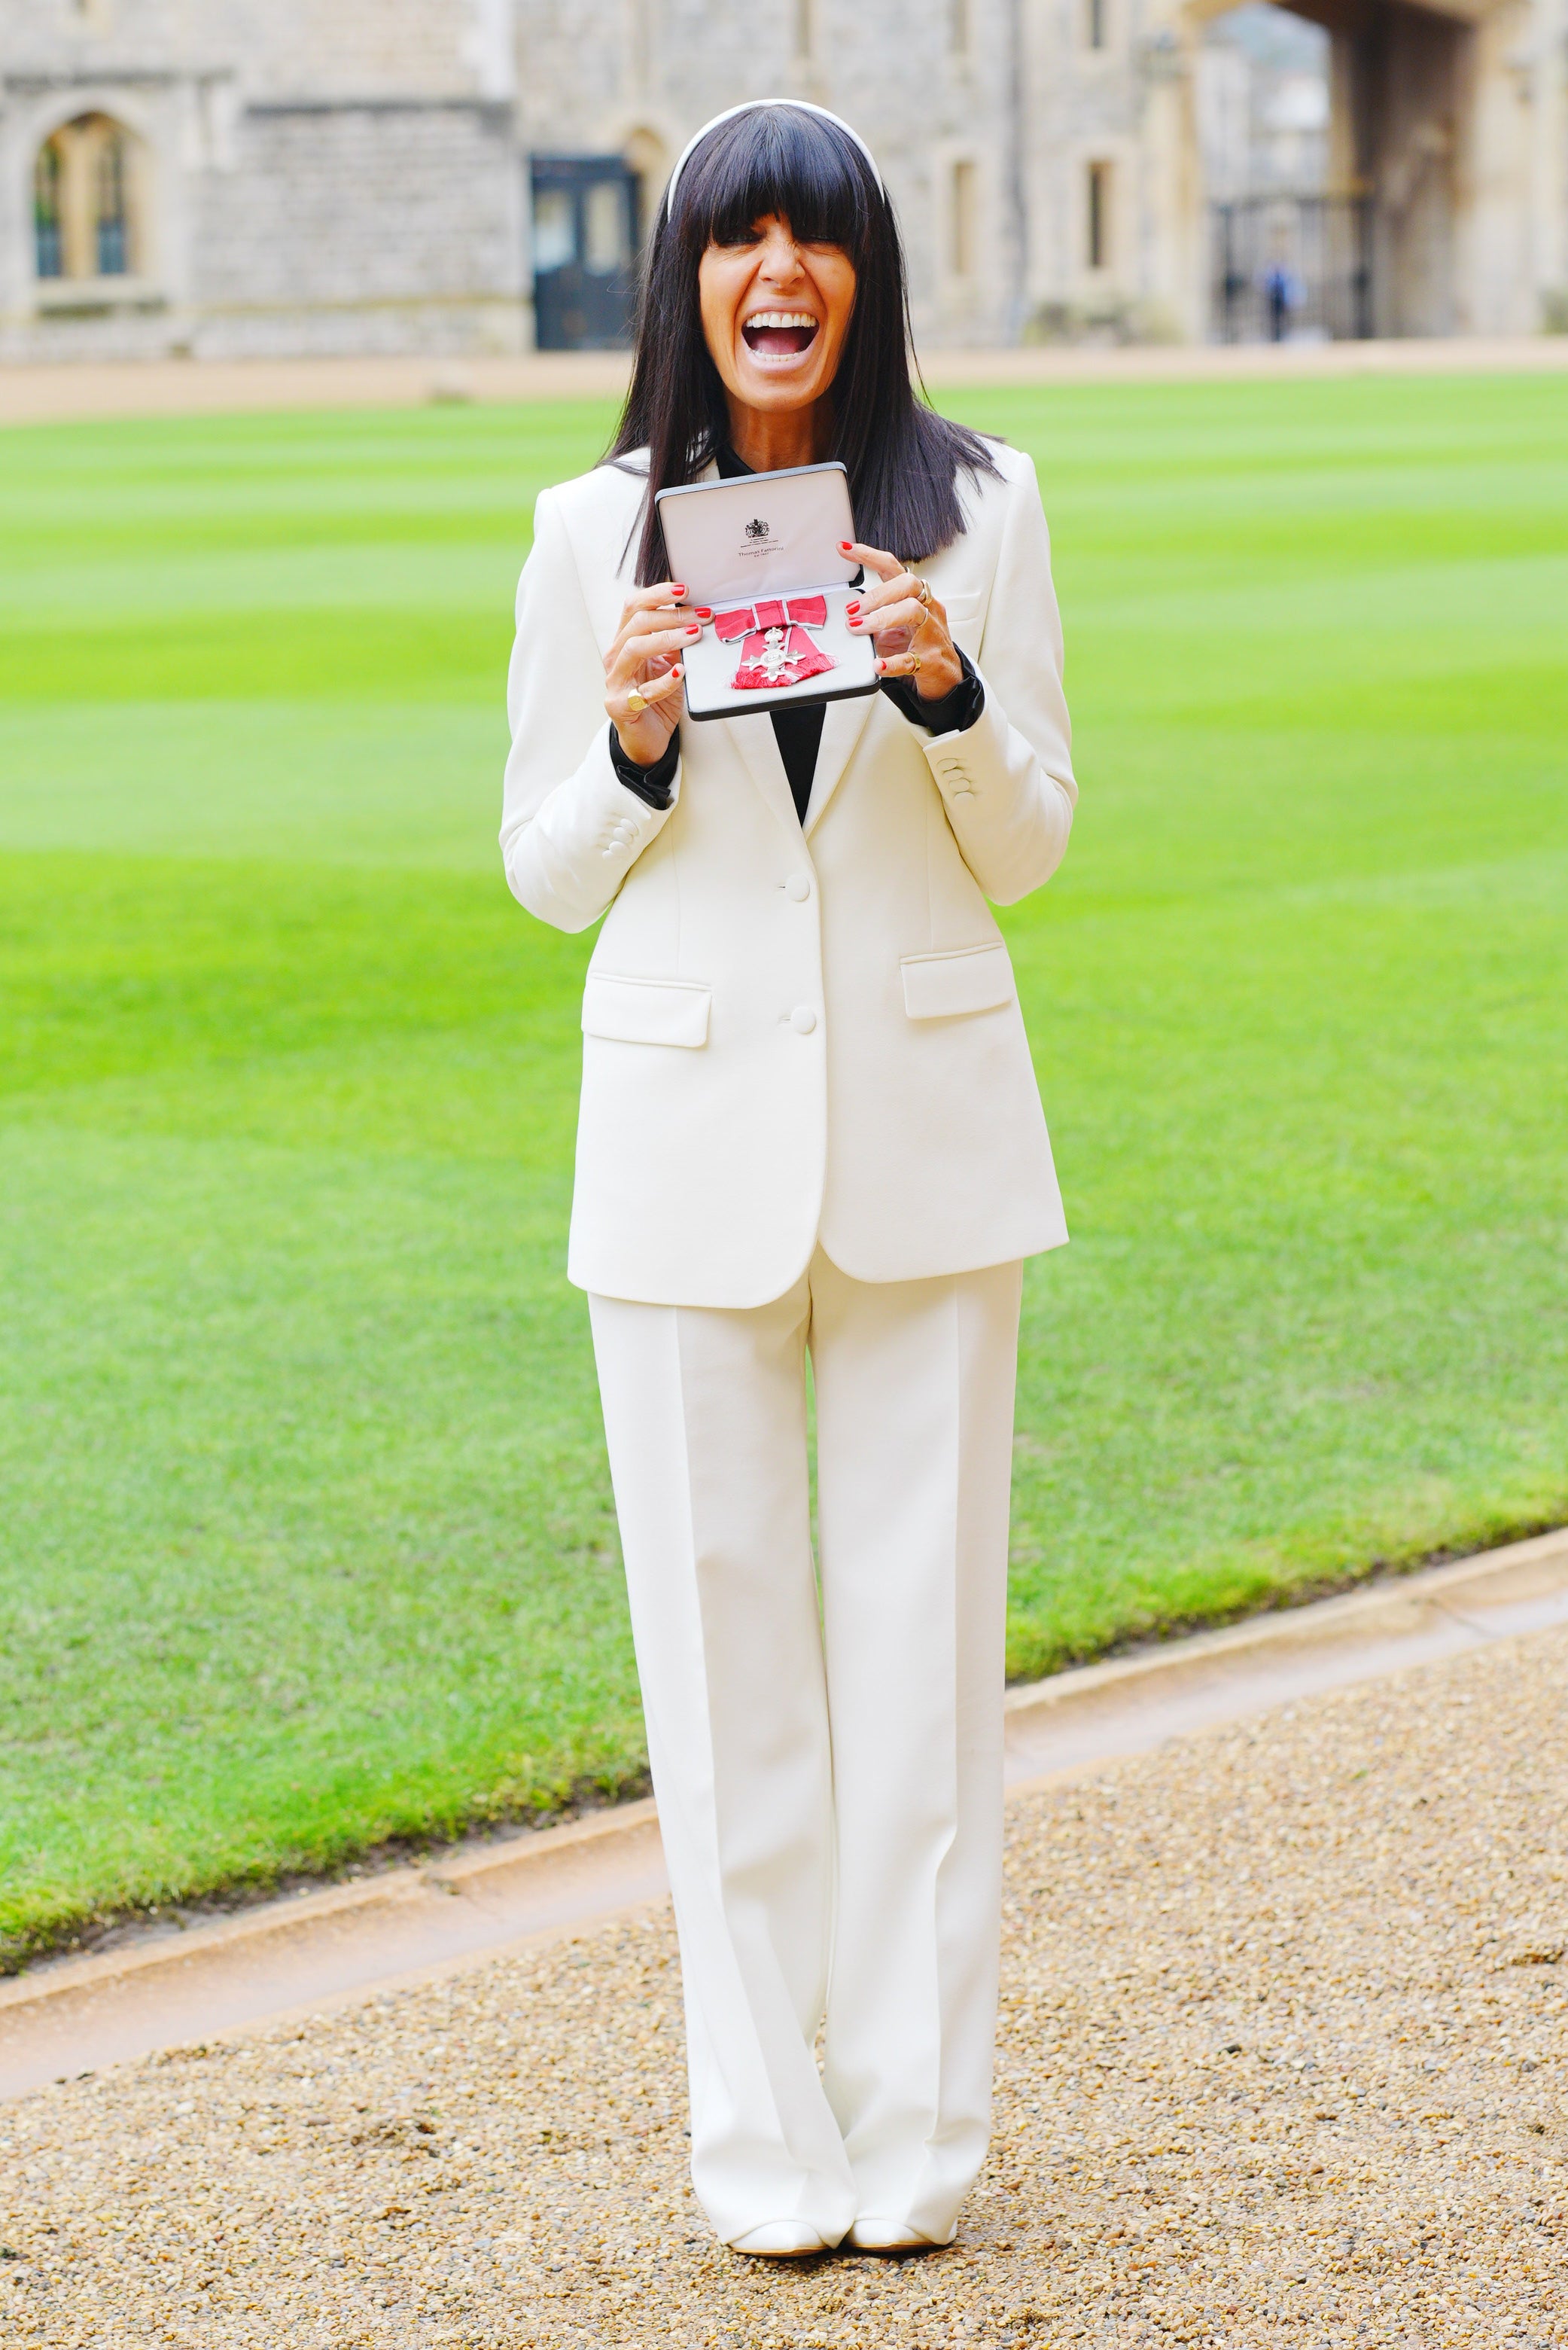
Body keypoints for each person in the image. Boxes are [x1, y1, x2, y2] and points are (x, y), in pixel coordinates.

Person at [501, 100, 1076, 2261]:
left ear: (863, 274)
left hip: (930, 1132)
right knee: (723, 1684)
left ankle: (917, 2148)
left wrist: (944, 690)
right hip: (676, 1148)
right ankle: (765, 2152)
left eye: (813, 238)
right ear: (690, 278)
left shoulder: (984, 508)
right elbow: (544, 871)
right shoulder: (589, 532)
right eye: (737, 237)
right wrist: (635, 751)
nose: (776, 271)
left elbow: (1026, 843)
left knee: (920, 1670)